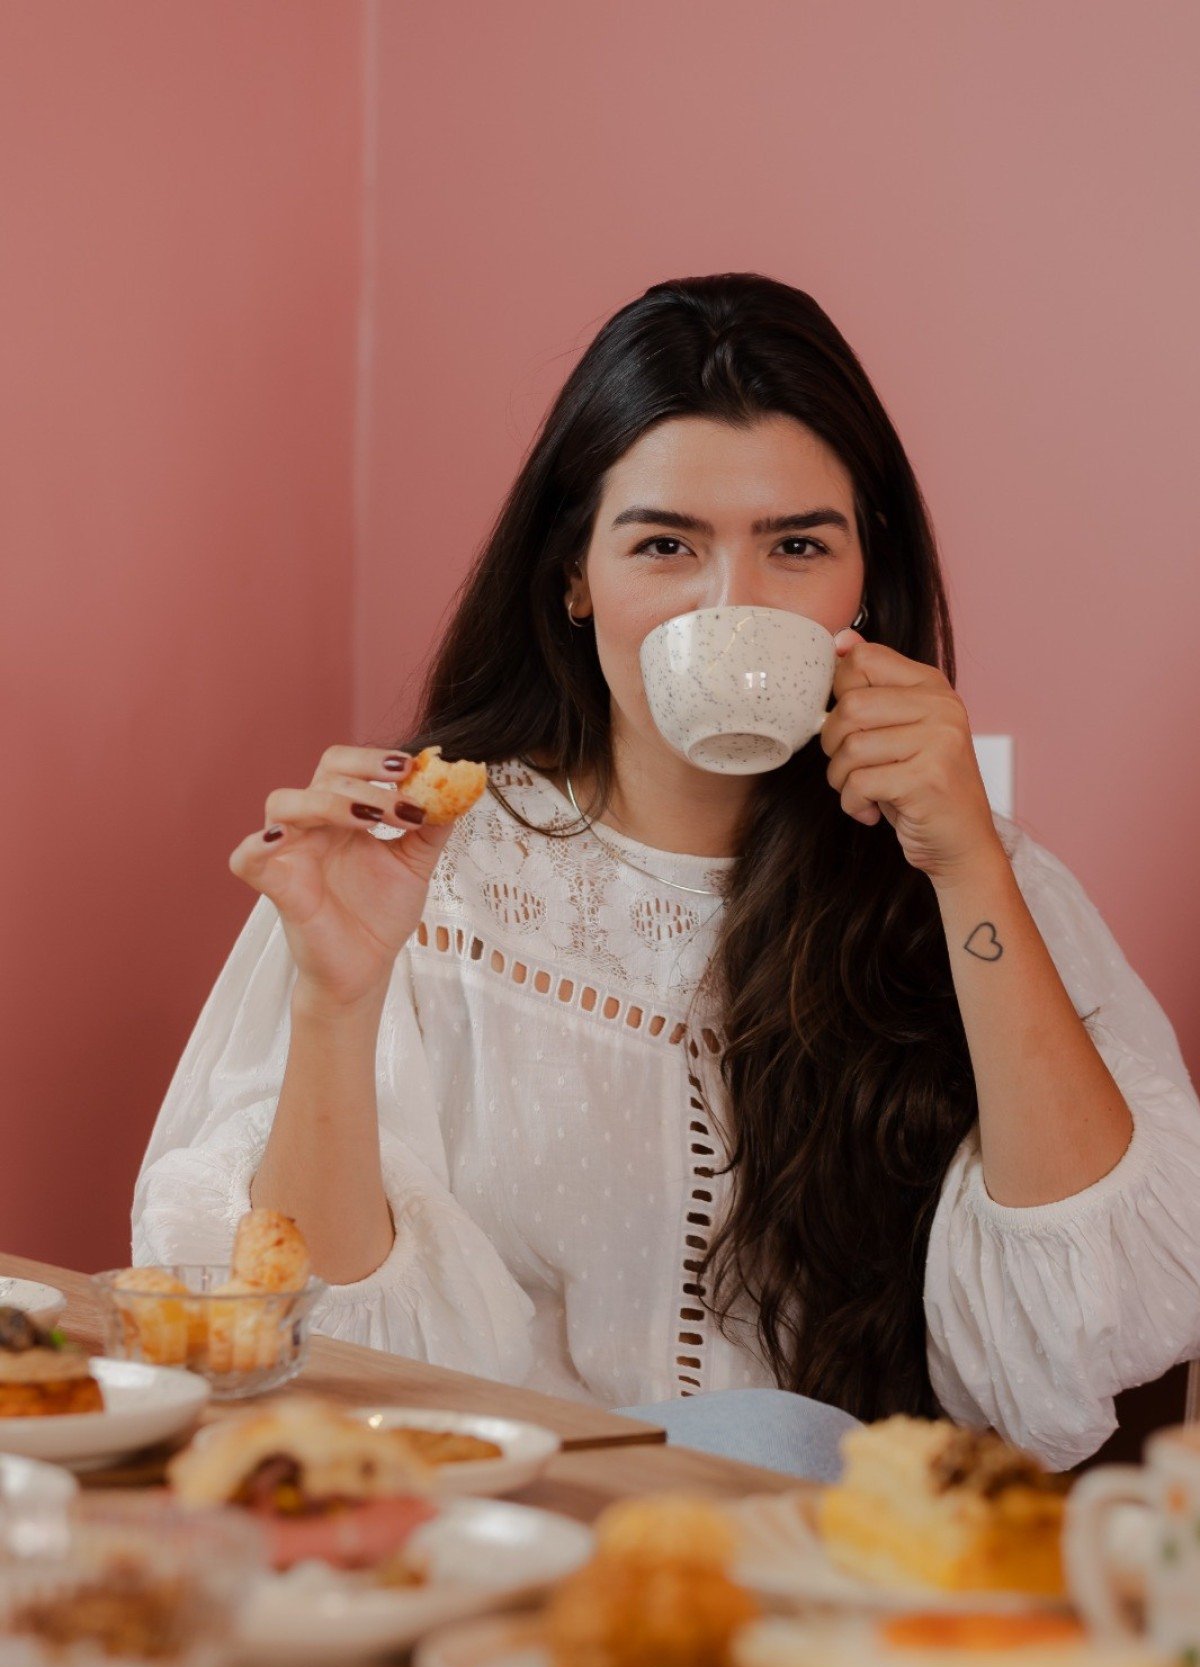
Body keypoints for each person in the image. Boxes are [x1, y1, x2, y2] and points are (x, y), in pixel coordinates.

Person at [133, 273, 1200, 1475]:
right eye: (665, 546)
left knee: (777, 1435)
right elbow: (310, 1362)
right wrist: (336, 997)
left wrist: (967, 863)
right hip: (494, 1546)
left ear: (866, 580)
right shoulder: (410, 868)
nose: (731, 603)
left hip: (823, 1571)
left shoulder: (972, 878)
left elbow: (1081, 1324)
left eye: (797, 546)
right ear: (575, 581)